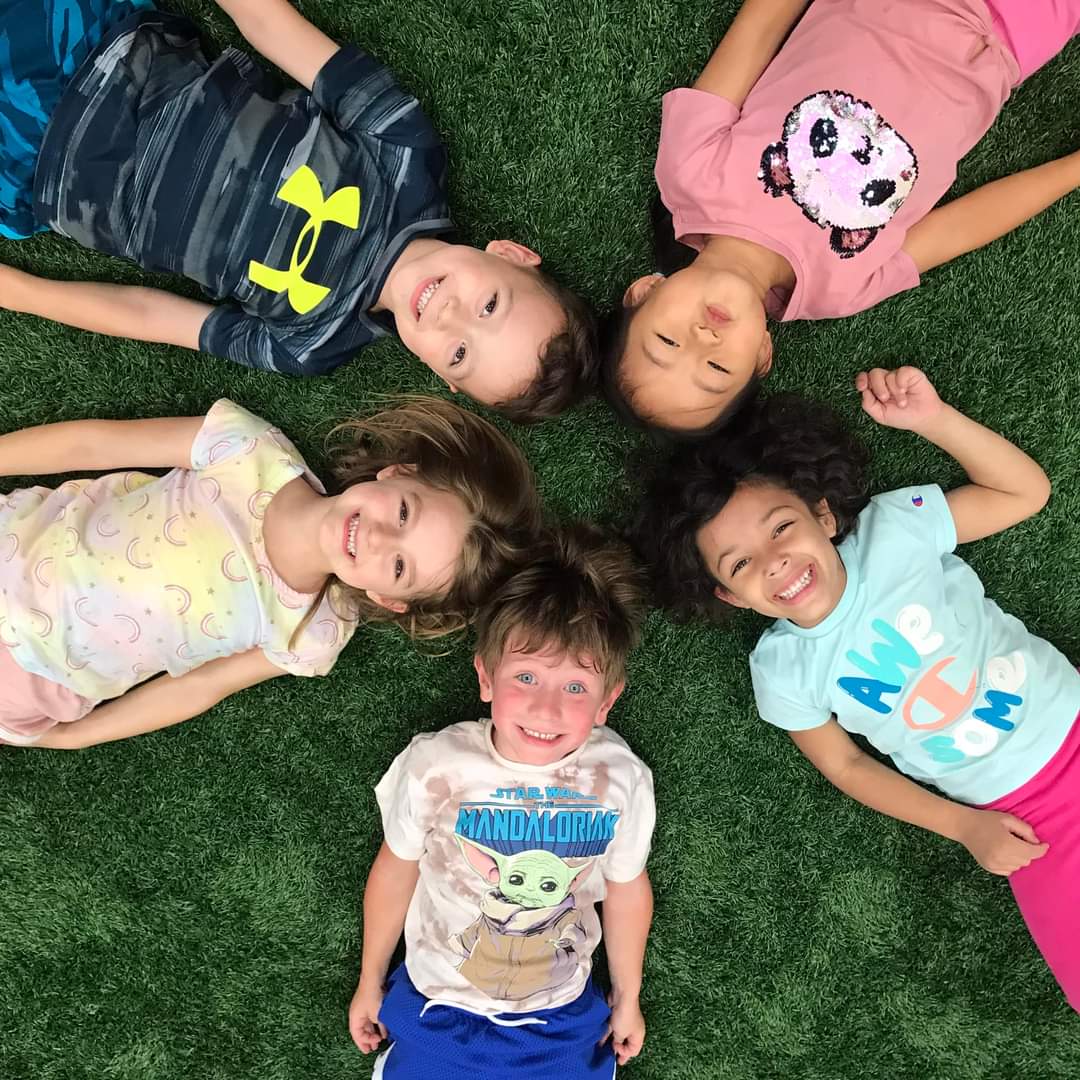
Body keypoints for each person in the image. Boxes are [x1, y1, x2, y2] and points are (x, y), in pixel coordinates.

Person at [633, 365, 1080, 1010]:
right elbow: (845, 764)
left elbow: (1023, 492)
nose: (774, 561)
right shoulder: (782, 672)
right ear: (729, 595)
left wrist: (933, 420)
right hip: (1022, 822)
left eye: (780, 527)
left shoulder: (895, 531)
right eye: (740, 564)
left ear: (821, 513)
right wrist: (962, 827)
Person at [0, 0, 596, 421]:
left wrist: (25, 293)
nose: (449, 316)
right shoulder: (406, 155)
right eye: (490, 305)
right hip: (92, 47)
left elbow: (154, 317)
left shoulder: (310, 345)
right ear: (511, 254)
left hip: (34, 174)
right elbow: (273, 25)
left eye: (461, 354)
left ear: (439, 375)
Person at [603, 0, 1080, 434]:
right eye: (717, 370)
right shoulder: (842, 290)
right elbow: (960, 228)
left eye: (666, 341)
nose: (702, 340)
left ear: (645, 290)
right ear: (762, 357)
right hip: (1014, 40)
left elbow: (759, 26)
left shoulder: (689, 175)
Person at [0, 397, 541, 748]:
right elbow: (99, 441)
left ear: (387, 597)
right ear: (398, 472)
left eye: (399, 566)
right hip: (15, 545)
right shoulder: (251, 450)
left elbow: (199, 688)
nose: (378, 537)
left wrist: (83, 735)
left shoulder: (314, 632)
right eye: (403, 512)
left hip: (37, 678)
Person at [348, 525, 655, 1077]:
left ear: (608, 700)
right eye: (527, 676)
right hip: (437, 1001)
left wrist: (627, 994)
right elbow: (397, 866)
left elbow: (627, 887)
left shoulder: (619, 778)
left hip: (559, 1014)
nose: (546, 709)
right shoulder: (436, 764)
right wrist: (370, 979)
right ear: (486, 678)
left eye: (576, 687)